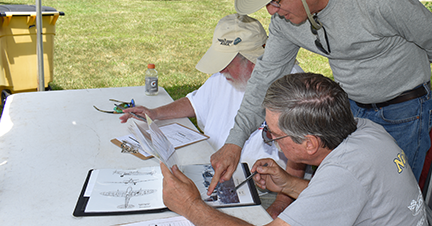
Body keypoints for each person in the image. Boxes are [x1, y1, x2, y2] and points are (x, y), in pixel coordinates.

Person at [209, 0, 432, 200]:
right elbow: (265, 77)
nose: (270, 11)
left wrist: (397, 71)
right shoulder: (285, 21)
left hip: (404, 111)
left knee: (392, 197)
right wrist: (235, 141)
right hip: (350, 109)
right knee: (346, 193)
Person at [160, 73, 430, 226]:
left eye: (273, 134)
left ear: (310, 144)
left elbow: (343, 185)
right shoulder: (365, 129)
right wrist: (290, 184)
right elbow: (349, 196)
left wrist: (190, 205)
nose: (269, 139)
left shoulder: (345, 171)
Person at [120, 13, 303, 169]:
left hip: (261, 187)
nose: (221, 70)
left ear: (252, 59)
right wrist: (155, 113)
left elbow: (299, 158)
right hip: (215, 167)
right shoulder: (226, 77)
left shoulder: (293, 86)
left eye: (227, 64)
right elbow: (195, 103)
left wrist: (281, 201)